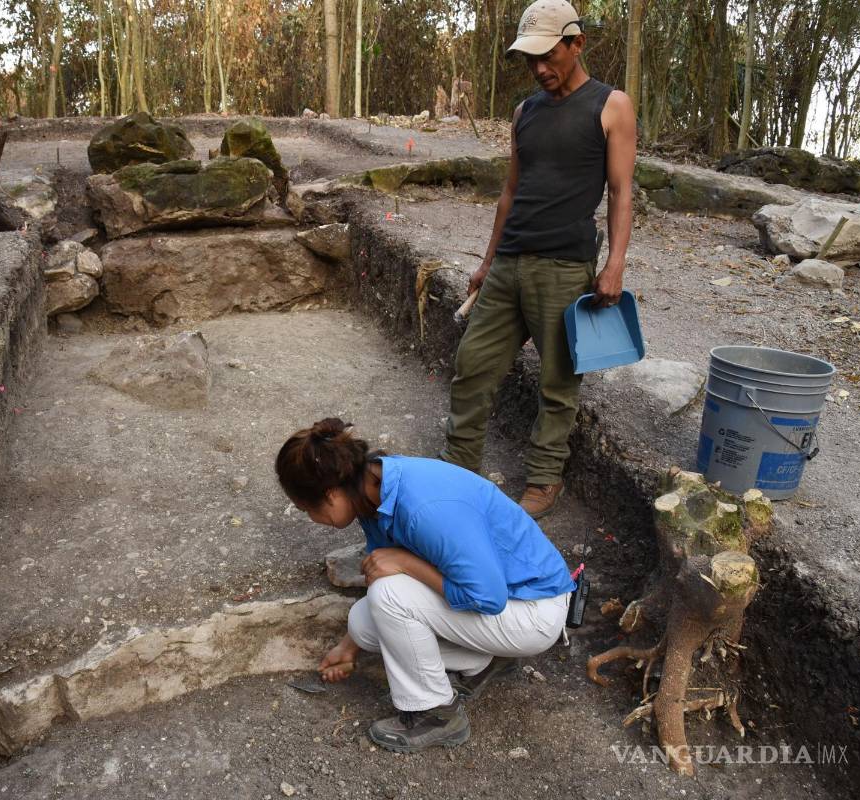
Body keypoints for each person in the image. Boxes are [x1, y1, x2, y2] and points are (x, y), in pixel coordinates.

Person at [440, 0, 637, 519]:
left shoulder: (610, 105)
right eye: (531, 60)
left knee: (558, 381)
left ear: (577, 44)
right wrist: (486, 262)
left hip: (565, 268)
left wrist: (614, 263)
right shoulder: (525, 112)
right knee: (473, 366)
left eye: (548, 56)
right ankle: (459, 471)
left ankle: (544, 479)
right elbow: (510, 193)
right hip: (508, 263)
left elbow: (620, 191)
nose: (539, 69)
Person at [276, 418, 576, 754]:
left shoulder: (424, 508)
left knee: (388, 595)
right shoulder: (371, 488)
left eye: (306, 509)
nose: (309, 517)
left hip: (532, 609)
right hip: (506, 604)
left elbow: (487, 597)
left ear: (331, 494)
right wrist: (349, 647)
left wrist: (405, 564)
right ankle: (485, 660)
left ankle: (437, 714)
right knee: (363, 622)